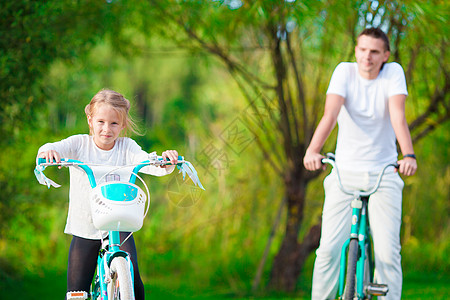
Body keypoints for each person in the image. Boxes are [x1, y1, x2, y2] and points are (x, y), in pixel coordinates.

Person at [303, 27, 417, 300]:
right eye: (362, 50)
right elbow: (330, 114)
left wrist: (408, 155)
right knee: (328, 250)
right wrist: (313, 150)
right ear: (356, 50)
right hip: (344, 172)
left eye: (375, 52)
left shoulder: (393, 74)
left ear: (385, 55)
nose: (367, 57)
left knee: (389, 254)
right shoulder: (344, 71)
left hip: (384, 173)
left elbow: (397, 117)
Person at [37, 89, 179, 300]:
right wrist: (48, 152)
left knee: (133, 278)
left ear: (123, 125)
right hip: (85, 226)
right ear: (90, 120)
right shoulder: (79, 144)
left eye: (114, 123)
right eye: (101, 121)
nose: (106, 129)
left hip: (119, 225)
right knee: (77, 292)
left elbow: (148, 161)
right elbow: (51, 147)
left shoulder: (127, 147)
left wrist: (165, 160)